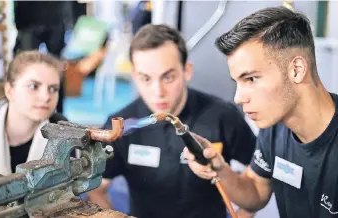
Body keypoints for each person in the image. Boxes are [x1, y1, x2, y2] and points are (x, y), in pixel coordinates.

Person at [87, 24, 257, 218]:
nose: (157, 92)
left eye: (168, 77)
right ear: (134, 76)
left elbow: (259, 182)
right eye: (146, 79)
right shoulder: (120, 126)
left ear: (187, 71)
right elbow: (96, 188)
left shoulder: (223, 116)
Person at [184, 6, 338, 218]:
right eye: (237, 82)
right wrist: (221, 169)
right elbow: (256, 191)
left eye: (251, 79)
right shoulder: (275, 127)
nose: (238, 98)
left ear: (296, 70)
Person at [0, 51, 67, 176]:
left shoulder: (63, 132)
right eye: (33, 86)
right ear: (9, 90)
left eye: (53, 89)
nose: (46, 97)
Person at [13, 1, 74, 113]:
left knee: (57, 69)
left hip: (54, 16)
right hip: (29, 17)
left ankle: (59, 111)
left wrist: (68, 22)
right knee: (26, 67)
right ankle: (24, 107)